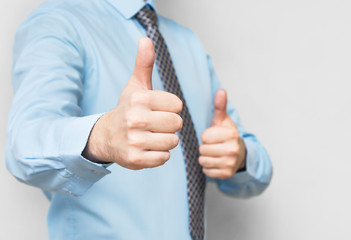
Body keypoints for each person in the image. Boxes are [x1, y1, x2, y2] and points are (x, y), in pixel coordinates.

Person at [6, 0, 273, 239]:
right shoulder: (58, 21)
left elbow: (258, 172)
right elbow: (24, 146)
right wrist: (102, 139)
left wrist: (238, 158)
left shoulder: (187, 42)